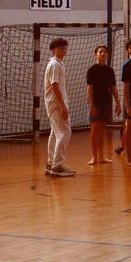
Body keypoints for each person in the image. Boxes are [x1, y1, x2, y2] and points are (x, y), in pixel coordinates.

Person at [44, 38, 75, 177]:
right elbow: (54, 85)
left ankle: (51, 163)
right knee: (65, 132)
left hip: (54, 103)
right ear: (53, 49)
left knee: (55, 133)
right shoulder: (55, 64)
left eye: (65, 47)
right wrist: (63, 106)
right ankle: (57, 166)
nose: (63, 49)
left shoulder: (59, 64)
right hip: (56, 104)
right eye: (60, 47)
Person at [86, 44, 119, 165]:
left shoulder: (110, 71)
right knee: (95, 129)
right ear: (95, 54)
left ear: (108, 55)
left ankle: (101, 156)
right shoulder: (92, 70)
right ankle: (94, 156)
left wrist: (118, 103)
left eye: (105, 52)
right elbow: (89, 88)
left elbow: (114, 87)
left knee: (103, 129)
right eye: (100, 52)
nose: (102, 54)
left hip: (106, 103)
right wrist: (91, 105)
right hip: (95, 103)